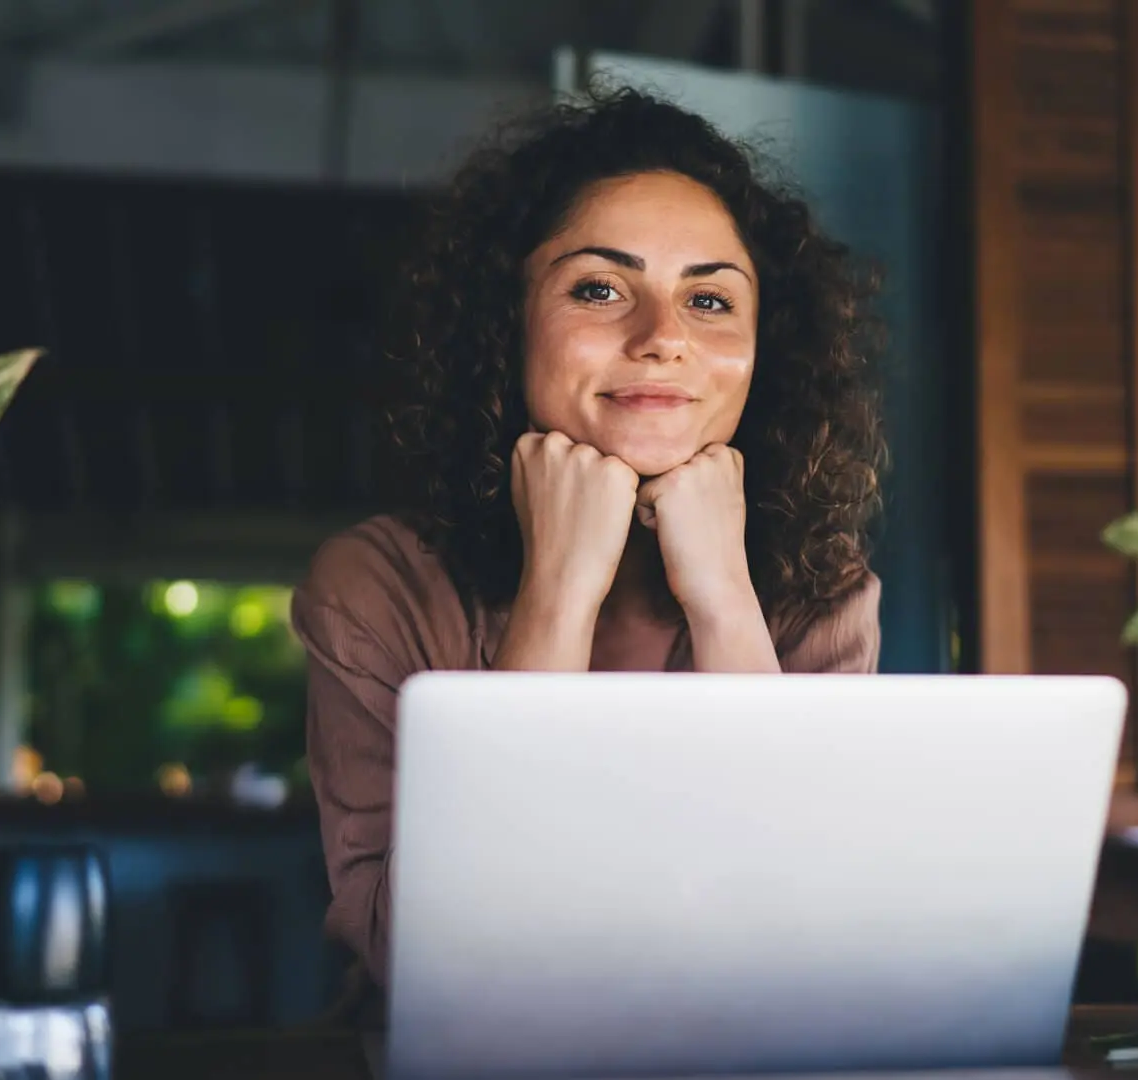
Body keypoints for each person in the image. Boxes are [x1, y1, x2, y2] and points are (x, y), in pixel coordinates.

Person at [290, 86, 889, 993]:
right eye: (600, 289)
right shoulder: (376, 590)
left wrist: (723, 598)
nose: (662, 339)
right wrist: (559, 596)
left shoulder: (824, 591)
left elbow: (802, 936)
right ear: (508, 326)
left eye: (712, 301)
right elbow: (429, 962)